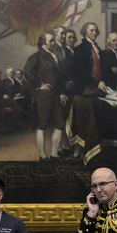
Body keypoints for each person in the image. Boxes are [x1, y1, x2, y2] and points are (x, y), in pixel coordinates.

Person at [23, 33, 68, 162]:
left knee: (60, 124)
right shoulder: (36, 56)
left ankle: (54, 155)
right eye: (51, 41)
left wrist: (61, 92)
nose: (53, 43)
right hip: (43, 96)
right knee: (41, 125)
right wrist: (39, 85)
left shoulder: (54, 55)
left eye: (53, 41)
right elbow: (27, 71)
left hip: (55, 95)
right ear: (43, 43)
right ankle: (43, 156)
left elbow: (58, 78)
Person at [73, 22, 108, 95]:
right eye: (91, 30)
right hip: (85, 89)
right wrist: (96, 83)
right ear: (85, 33)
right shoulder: (79, 49)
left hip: (99, 88)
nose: (95, 33)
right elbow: (81, 73)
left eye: (95, 30)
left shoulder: (98, 49)